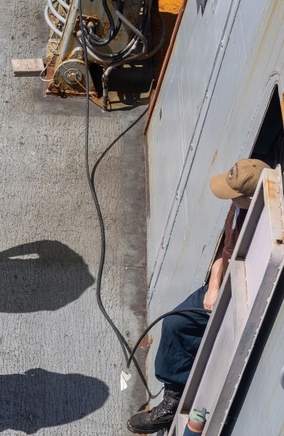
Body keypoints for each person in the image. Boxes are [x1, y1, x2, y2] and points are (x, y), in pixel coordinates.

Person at [126, 157, 270, 434]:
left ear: (252, 198)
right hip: (223, 287)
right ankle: (174, 396)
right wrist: (214, 287)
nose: (228, 200)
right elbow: (223, 253)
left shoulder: (266, 225)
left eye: (234, 196)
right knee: (176, 323)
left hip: (245, 297)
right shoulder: (238, 209)